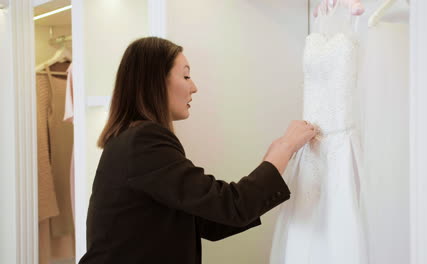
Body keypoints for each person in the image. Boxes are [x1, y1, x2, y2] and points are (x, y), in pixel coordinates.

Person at [78, 37, 319, 264]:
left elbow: (210, 222)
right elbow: (230, 207)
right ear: (155, 82)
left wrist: (271, 163)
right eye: (185, 76)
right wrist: (283, 149)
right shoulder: (143, 141)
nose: (194, 87)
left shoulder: (131, 140)